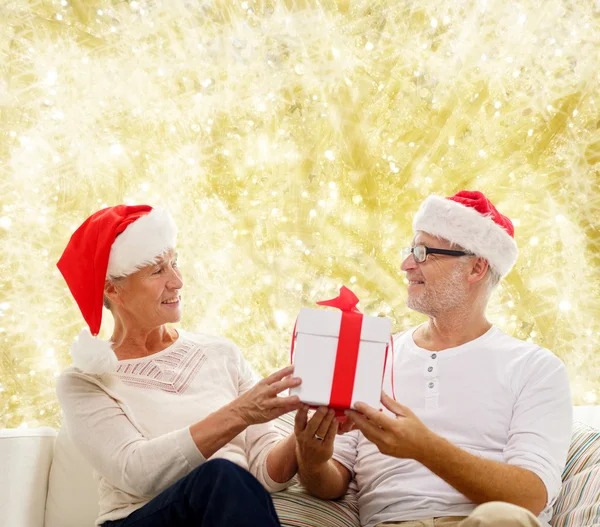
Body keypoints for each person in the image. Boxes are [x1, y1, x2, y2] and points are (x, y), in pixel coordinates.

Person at [294, 190, 572, 527]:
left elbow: (529, 497)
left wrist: (424, 448)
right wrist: (312, 462)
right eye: (410, 250)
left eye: (423, 252)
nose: (406, 264)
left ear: (476, 267)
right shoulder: (374, 354)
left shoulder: (535, 368)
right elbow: (332, 480)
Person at [55, 204, 303, 527]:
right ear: (113, 290)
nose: (177, 281)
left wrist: (303, 438)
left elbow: (265, 472)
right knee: (220, 477)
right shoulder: (85, 382)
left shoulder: (221, 353)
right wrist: (239, 413)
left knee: (226, 481)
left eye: (175, 263)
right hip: (139, 520)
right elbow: (136, 471)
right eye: (158, 271)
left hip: (225, 514)